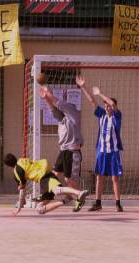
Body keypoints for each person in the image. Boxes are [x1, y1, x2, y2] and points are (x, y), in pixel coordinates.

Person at [37, 73, 84, 211]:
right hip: (63, 151)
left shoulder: (73, 113)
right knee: (54, 174)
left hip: (72, 151)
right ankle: (47, 197)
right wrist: (46, 97)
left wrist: (48, 93)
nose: (62, 108)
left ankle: (78, 198)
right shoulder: (63, 119)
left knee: (70, 180)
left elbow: (58, 103)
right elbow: (53, 108)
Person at [76, 75, 124, 212]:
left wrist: (101, 94)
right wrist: (83, 86)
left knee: (115, 178)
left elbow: (113, 104)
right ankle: (98, 203)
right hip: (102, 152)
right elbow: (92, 101)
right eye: (105, 105)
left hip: (113, 152)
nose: (107, 107)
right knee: (99, 178)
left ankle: (118, 203)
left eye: (109, 105)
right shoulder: (102, 115)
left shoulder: (117, 116)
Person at [3, 153, 89, 216]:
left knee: (57, 190)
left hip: (44, 177)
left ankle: (79, 193)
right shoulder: (22, 160)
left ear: (8, 165)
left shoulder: (16, 171)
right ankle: (65, 200)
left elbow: (22, 191)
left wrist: (18, 209)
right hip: (44, 179)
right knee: (40, 209)